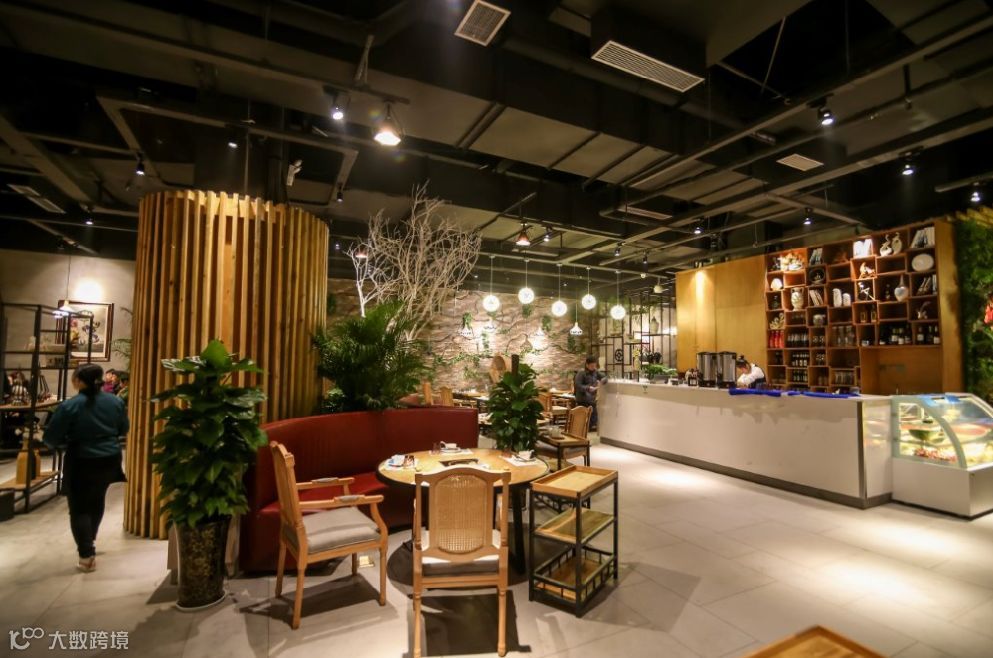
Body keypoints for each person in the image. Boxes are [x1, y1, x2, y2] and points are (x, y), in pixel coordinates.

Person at [43, 363, 129, 572]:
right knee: (97, 500)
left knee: (79, 507)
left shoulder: (70, 405)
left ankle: (86, 555)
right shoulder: (115, 401)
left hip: (82, 458)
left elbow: (51, 437)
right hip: (110, 457)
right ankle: (89, 539)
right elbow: (123, 428)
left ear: (78, 381)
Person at [574, 355, 607, 430]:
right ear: (587, 365)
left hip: (592, 399)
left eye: (595, 366)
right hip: (582, 399)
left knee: (593, 419)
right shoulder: (581, 373)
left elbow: (605, 377)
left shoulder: (596, 372)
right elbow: (578, 385)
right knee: (583, 419)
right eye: (592, 366)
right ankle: (582, 431)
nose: (594, 367)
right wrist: (588, 388)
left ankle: (588, 430)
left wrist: (602, 381)